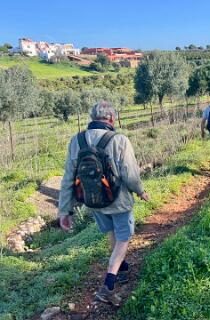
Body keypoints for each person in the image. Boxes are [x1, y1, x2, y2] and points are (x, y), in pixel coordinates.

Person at [58, 101, 149, 306]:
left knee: (112, 233)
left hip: (93, 201)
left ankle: (122, 268)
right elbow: (130, 174)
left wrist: (65, 210)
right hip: (119, 200)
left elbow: (67, 178)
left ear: (92, 118)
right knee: (124, 239)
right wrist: (141, 191)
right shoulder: (119, 140)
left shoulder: (77, 140)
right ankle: (108, 286)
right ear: (111, 119)